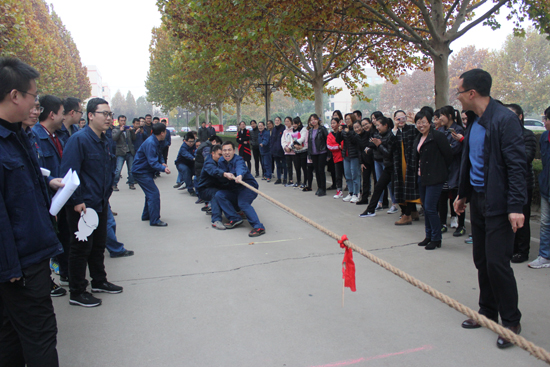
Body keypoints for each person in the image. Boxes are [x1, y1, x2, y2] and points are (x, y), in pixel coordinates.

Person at [453, 68, 526, 348]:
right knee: (482, 260)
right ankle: (486, 312)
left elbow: (517, 167)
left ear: (472, 93)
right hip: (479, 200)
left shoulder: (504, 120)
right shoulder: (474, 120)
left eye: (459, 91)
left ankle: (510, 320)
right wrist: (463, 195)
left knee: (497, 263)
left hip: (500, 202)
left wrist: (516, 206)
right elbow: (470, 162)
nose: (457, 97)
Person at [0, 57, 64, 366]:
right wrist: (11, 270)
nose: (34, 107)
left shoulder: (17, 135)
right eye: (32, 98)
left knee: (13, 335)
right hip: (20, 268)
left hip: (29, 258)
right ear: (14, 96)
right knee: (39, 336)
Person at [60, 97, 124, 308]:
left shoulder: (106, 140)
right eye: (103, 114)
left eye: (110, 114)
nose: (108, 118)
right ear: (90, 115)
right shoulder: (79, 140)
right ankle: (77, 291)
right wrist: (77, 200)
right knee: (80, 249)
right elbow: (69, 173)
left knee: (98, 245)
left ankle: (99, 281)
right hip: (83, 206)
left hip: (100, 202)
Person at [32, 95, 69, 296]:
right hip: (46, 198)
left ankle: (65, 272)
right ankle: (47, 280)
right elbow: (35, 170)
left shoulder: (57, 136)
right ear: (52, 114)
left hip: (60, 196)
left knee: (63, 235)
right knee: (48, 239)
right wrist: (49, 181)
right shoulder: (35, 136)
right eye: (62, 113)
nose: (64, 117)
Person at [414, 111, 453, 249]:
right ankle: (428, 236)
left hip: (435, 178)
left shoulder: (438, 136)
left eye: (423, 122)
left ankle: (436, 238)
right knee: (426, 207)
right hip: (422, 177)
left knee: (430, 208)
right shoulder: (418, 137)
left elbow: (448, 156)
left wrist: (439, 170)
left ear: (429, 122)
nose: (421, 125)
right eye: (418, 122)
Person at [214, 141, 266, 237]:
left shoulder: (239, 160)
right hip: (234, 189)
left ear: (234, 151)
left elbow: (240, 168)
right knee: (219, 195)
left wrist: (239, 175)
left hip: (248, 187)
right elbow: (219, 173)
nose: (227, 152)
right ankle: (235, 218)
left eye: (229, 150)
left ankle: (259, 227)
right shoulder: (221, 161)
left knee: (243, 203)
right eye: (224, 150)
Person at [506, 104, 536, 264]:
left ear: (520, 117)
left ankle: (523, 251)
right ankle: (513, 248)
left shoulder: (527, 135)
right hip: (509, 184)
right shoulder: (506, 134)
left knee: (522, 217)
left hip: (524, 184)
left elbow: (527, 158)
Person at [132, 123, 172, 226]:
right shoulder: (151, 143)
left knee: (150, 193)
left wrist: (162, 162)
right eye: (165, 131)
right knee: (154, 193)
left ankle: (147, 215)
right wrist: (164, 168)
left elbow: (159, 154)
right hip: (141, 171)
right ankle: (155, 220)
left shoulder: (156, 140)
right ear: (162, 133)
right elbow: (152, 162)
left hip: (145, 170)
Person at [435, 106, 465, 235]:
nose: (440, 118)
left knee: (457, 197)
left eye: (442, 115)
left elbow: (455, 149)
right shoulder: (440, 130)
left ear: (450, 116)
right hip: (443, 169)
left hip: (455, 168)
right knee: (442, 197)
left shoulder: (458, 130)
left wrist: (444, 149)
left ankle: (461, 225)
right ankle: (442, 223)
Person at [359, 116, 396, 217]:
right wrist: (375, 145)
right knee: (378, 186)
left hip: (395, 167)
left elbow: (388, 153)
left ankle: (404, 211)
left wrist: (379, 145)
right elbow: (371, 145)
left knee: (395, 187)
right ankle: (370, 210)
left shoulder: (391, 136)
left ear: (385, 125)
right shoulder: (378, 135)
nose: (377, 128)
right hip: (388, 167)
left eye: (379, 125)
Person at [528, 106, 550, 269]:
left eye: (546, 119)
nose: (544, 122)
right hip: (546, 187)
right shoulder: (543, 138)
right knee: (545, 223)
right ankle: (545, 255)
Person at [392, 110, 421, 225]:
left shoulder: (412, 129)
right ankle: (409, 212)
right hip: (398, 165)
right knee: (399, 188)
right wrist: (394, 128)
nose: (401, 121)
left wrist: (416, 122)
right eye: (398, 119)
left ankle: (408, 214)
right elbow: (389, 143)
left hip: (411, 164)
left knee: (410, 188)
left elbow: (423, 133)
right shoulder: (394, 132)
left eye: (402, 118)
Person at [197, 144, 228, 227]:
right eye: (219, 155)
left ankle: (236, 212)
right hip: (205, 190)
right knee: (216, 193)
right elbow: (214, 171)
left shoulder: (222, 161)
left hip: (217, 186)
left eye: (223, 155)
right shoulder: (209, 163)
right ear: (213, 153)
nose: (221, 157)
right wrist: (224, 174)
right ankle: (216, 220)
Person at [112, 115, 137, 191]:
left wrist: (132, 131)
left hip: (129, 151)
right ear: (118, 121)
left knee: (131, 169)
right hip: (120, 152)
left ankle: (131, 183)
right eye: (121, 120)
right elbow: (114, 138)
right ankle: (114, 184)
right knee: (118, 170)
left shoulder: (127, 129)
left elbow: (134, 138)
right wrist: (120, 130)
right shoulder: (115, 129)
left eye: (124, 120)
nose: (123, 122)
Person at [307, 114, 329, 196]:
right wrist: (309, 155)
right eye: (311, 120)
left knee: (321, 170)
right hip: (314, 153)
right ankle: (319, 187)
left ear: (318, 120)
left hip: (322, 152)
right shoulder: (310, 131)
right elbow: (309, 143)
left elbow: (327, 141)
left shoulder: (322, 129)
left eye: (315, 119)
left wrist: (328, 154)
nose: (313, 121)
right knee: (316, 171)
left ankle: (323, 188)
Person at [341, 113, 361, 203]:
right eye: (346, 119)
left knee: (355, 175)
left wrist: (348, 132)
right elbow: (339, 140)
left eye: (348, 119)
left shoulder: (355, 130)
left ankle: (356, 193)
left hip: (354, 155)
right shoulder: (345, 130)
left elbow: (354, 140)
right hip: (346, 155)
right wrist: (339, 131)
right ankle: (351, 192)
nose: (347, 121)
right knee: (348, 175)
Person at [357, 118, 376, 205]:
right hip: (365, 161)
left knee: (376, 181)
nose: (365, 126)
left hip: (375, 160)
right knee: (365, 181)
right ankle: (364, 198)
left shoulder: (374, 133)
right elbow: (360, 150)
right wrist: (361, 162)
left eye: (366, 124)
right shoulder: (361, 135)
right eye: (363, 125)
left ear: (371, 123)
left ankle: (378, 201)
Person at [174, 132, 197, 196]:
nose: (191, 143)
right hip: (181, 163)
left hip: (191, 163)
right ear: (185, 141)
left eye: (193, 141)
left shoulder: (195, 145)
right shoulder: (183, 147)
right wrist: (193, 158)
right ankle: (190, 190)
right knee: (186, 171)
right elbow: (186, 154)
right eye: (190, 142)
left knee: (198, 171)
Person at [327, 117, 344, 198]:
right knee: (338, 176)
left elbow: (345, 143)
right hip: (336, 157)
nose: (332, 125)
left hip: (345, 157)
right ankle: (339, 191)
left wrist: (341, 147)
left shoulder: (342, 132)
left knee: (348, 175)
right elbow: (329, 146)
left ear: (338, 124)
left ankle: (353, 192)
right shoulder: (330, 135)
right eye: (331, 123)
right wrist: (339, 147)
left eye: (334, 123)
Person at [292, 116, 308, 188]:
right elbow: (290, 139)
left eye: (295, 124)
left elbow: (302, 138)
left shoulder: (303, 129)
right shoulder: (293, 130)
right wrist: (294, 146)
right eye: (293, 124)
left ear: (299, 123)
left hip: (303, 151)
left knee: (304, 168)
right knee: (297, 167)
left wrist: (295, 143)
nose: (294, 125)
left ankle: (305, 182)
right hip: (296, 151)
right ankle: (298, 181)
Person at [270, 117, 287, 184]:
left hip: (282, 150)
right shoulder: (274, 129)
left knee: (284, 165)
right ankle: (279, 178)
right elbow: (272, 140)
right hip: (275, 150)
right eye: (275, 120)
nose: (276, 122)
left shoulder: (283, 128)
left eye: (278, 120)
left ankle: (285, 178)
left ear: (280, 121)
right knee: (278, 165)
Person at [281, 116, 296, 187]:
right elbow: (283, 141)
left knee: (296, 166)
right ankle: (290, 180)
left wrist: (290, 147)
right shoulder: (285, 131)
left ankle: (298, 180)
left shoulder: (294, 130)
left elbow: (294, 139)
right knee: (289, 166)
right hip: (287, 152)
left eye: (288, 121)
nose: (287, 123)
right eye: (285, 121)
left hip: (293, 151)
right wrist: (285, 147)